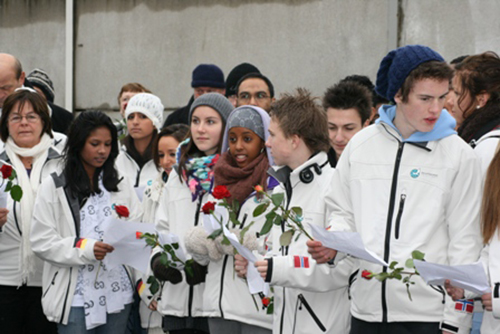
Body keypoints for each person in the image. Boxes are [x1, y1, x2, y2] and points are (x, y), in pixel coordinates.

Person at [308, 45, 483, 334]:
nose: (436, 109)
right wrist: (334, 244)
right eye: (425, 98)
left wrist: (456, 323)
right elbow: (343, 212)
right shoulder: (361, 145)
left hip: (429, 319)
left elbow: (466, 241)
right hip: (365, 313)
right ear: (398, 95)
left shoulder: (459, 156)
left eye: (442, 97)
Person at [236, 89, 352, 334]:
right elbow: (280, 255)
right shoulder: (281, 191)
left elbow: (342, 266)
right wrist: (255, 261)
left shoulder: (334, 187)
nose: (267, 143)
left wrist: (276, 268)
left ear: (294, 139)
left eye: (272, 134)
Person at [30, 110, 142, 333]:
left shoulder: (121, 184)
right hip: (74, 296)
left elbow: (138, 230)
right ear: (78, 143)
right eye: (94, 143)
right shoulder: (54, 186)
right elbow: (42, 241)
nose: (102, 150)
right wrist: (87, 248)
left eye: (108, 144)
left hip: (117, 292)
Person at [185, 105, 276, 334]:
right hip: (217, 307)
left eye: (247, 138)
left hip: (256, 311)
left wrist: (244, 243)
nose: (238, 146)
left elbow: (275, 243)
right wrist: (200, 244)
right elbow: (207, 239)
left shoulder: (274, 186)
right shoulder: (219, 180)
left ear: (263, 140)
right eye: (232, 138)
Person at [152, 93, 233, 334]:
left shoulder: (233, 173)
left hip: (213, 305)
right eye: (196, 121)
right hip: (176, 303)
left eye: (211, 122)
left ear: (226, 126)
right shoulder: (178, 173)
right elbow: (161, 227)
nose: (201, 129)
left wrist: (204, 264)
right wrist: (158, 259)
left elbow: (234, 236)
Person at [0, 89, 60, 334]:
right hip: (4, 278)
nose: (23, 123)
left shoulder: (63, 160)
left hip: (51, 277)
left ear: (44, 122)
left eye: (32, 116)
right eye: (15, 117)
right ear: (5, 124)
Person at [116, 93, 163, 201]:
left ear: (155, 122)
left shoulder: (165, 155)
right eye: (131, 117)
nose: (135, 122)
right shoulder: (117, 153)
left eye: (143, 116)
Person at [322, 80, 372, 167]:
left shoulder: (380, 163)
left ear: (365, 125)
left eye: (349, 128)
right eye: (331, 127)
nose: (339, 138)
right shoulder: (315, 162)